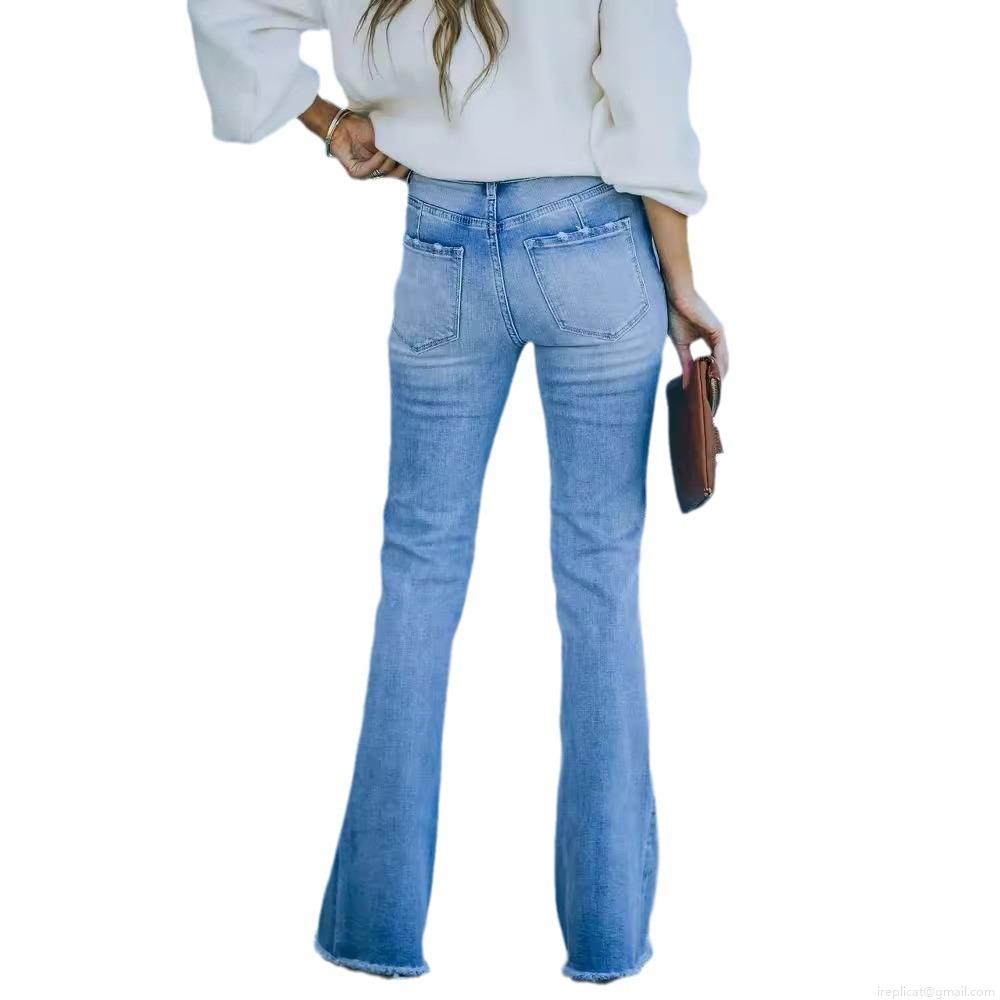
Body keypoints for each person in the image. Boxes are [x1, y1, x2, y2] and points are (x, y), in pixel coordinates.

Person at [187, 0, 729, 983]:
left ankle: (375, 933)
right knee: (599, 589)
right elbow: (647, 88)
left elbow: (227, 8)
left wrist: (329, 123)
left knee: (418, 581)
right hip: (594, 243)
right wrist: (681, 282)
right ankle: (607, 940)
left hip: (440, 244)